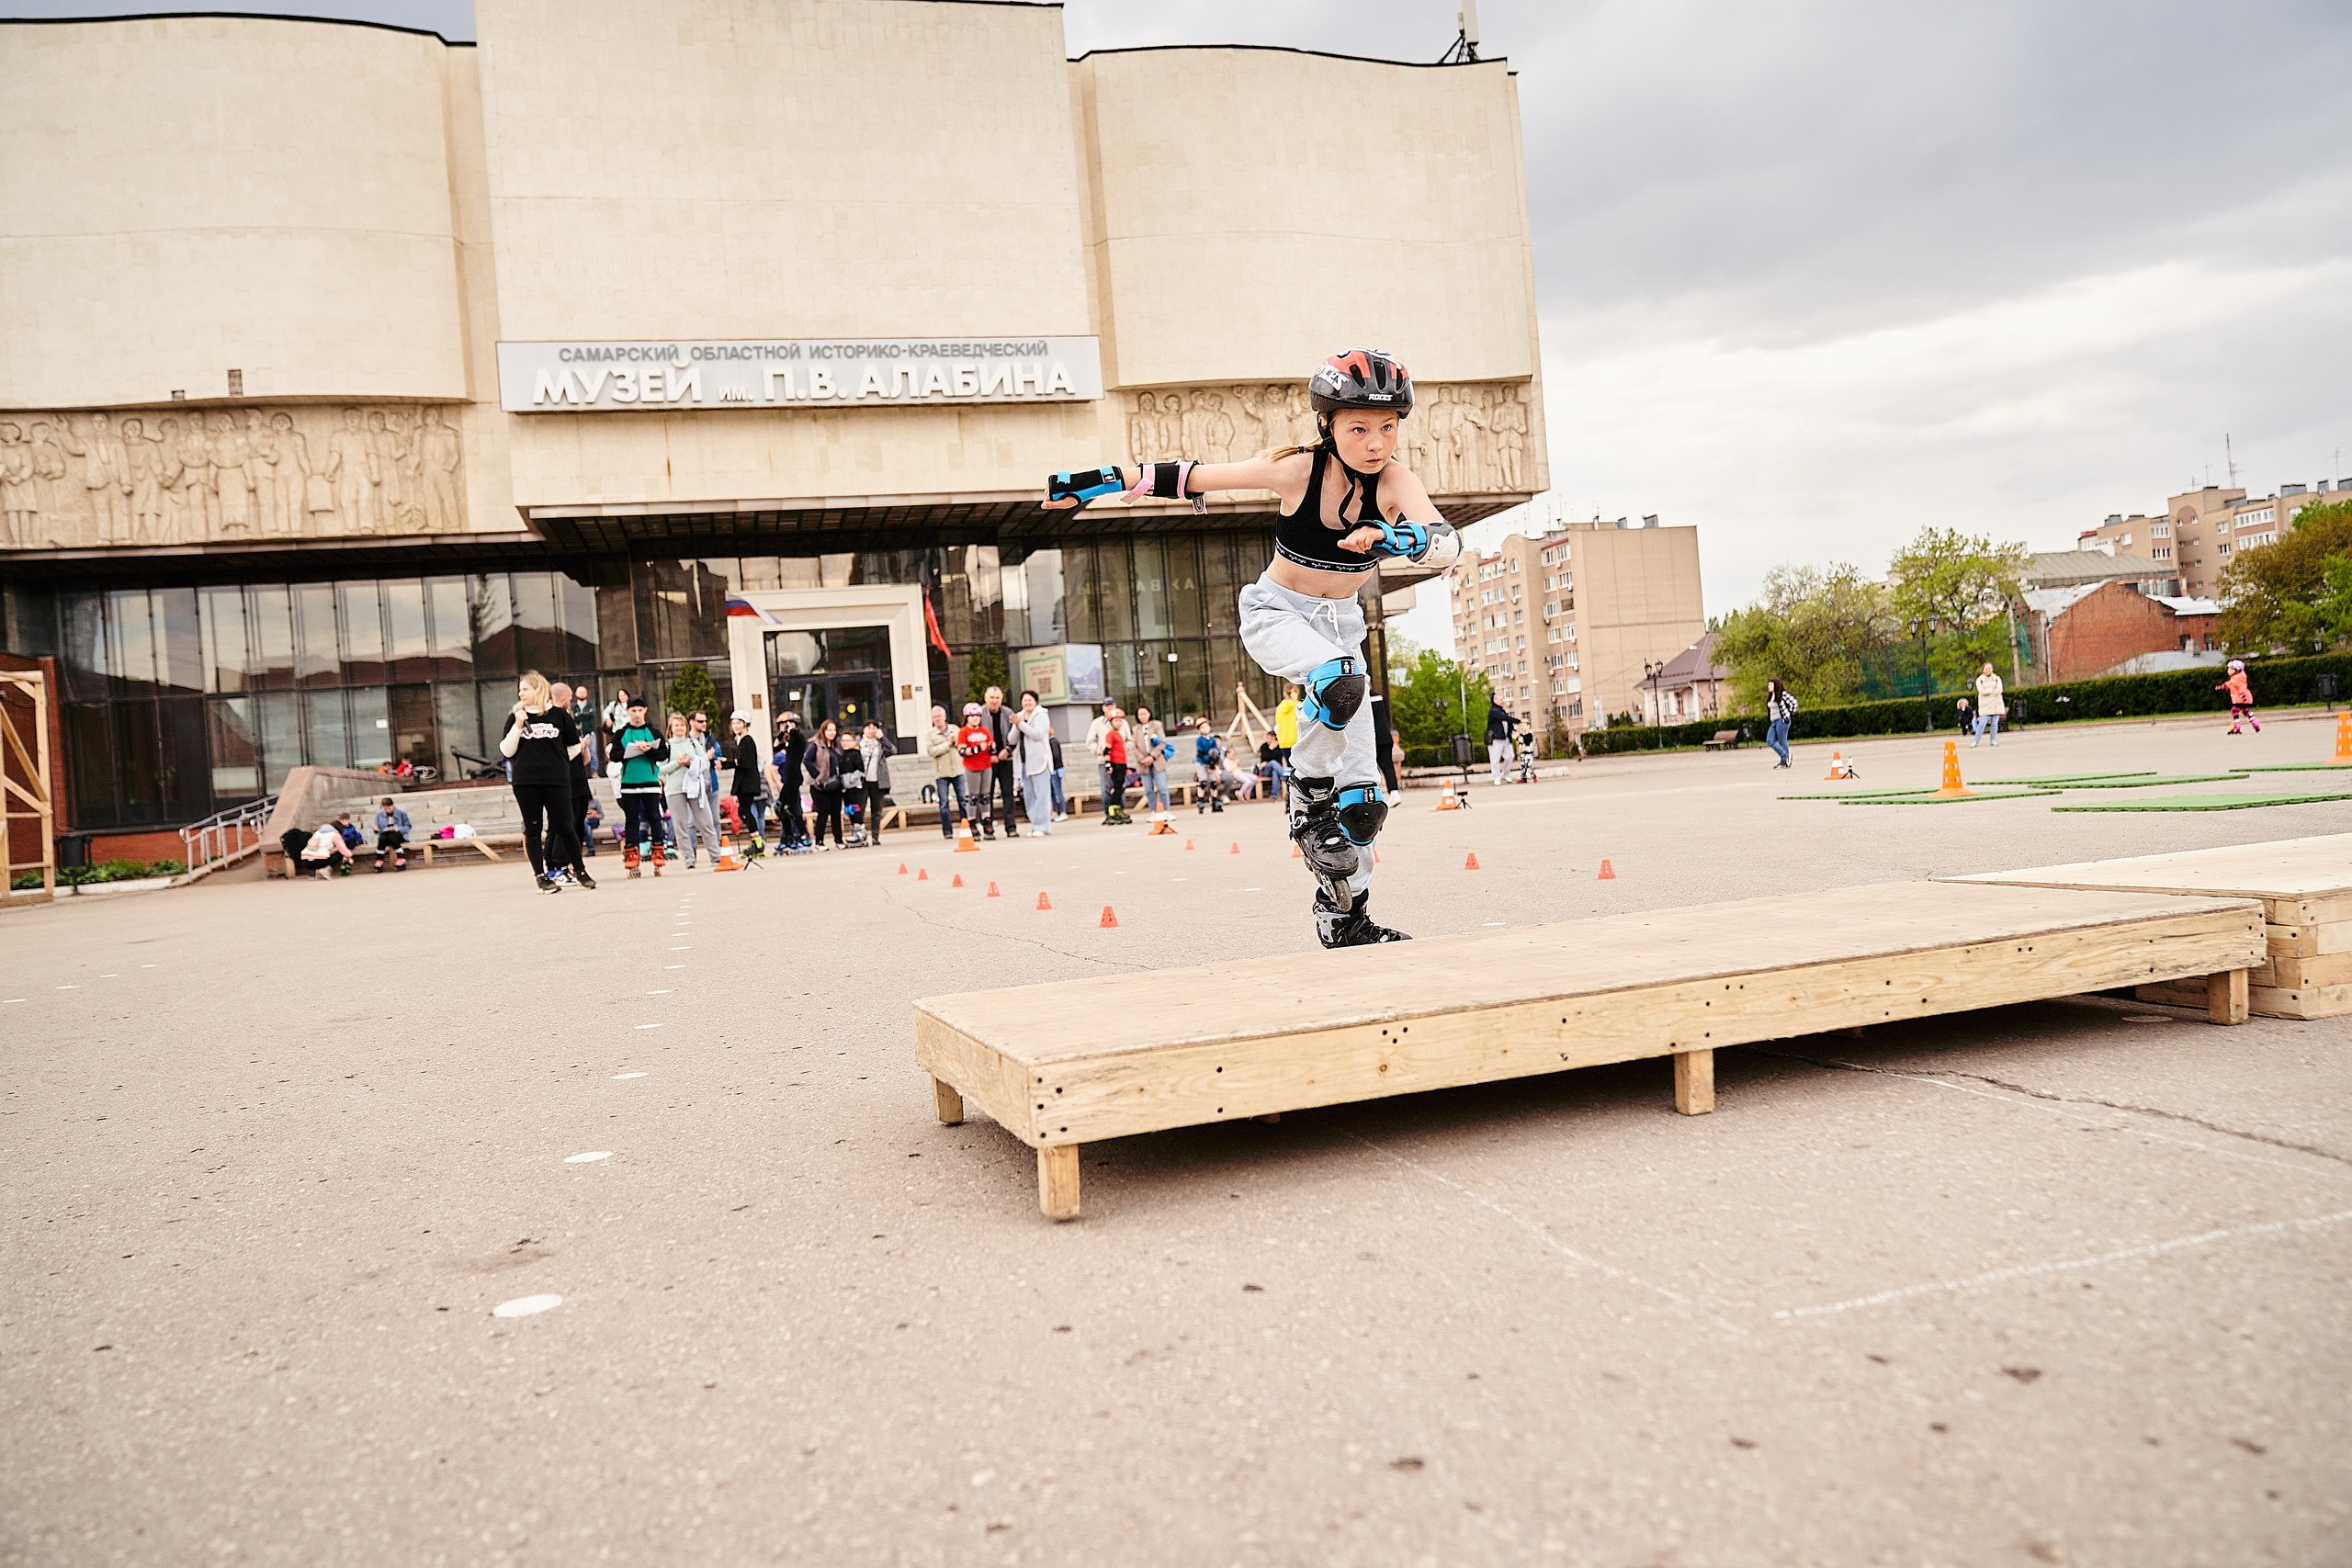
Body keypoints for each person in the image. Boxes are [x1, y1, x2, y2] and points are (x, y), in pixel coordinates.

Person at [497, 670, 591, 894]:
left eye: (525, 689)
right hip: (526, 781)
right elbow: (507, 750)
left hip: (556, 780)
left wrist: (558, 761)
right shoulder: (516, 717)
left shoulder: (559, 715)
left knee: (565, 826)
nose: (521, 693)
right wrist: (518, 725)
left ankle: (580, 871)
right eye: (520, 690)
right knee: (533, 828)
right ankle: (541, 876)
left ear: (538, 689)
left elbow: (573, 746)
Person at [612, 696, 667, 876]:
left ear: (645, 710)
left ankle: (658, 850)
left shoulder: (654, 732)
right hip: (629, 783)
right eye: (633, 711)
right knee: (632, 819)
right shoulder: (621, 733)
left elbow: (663, 754)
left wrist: (649, 750)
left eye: (640, 710)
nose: (636, 714)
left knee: (654, 817)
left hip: (650, 782)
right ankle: (631, 855)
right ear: (628, 711)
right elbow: (614, 755)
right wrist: (630, 751)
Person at [549, 681, 596, 886]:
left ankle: (571, 864)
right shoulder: (553, 720)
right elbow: (559, 754)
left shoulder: (568, 718)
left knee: (577, 824)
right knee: (562, 825)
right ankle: (556, 865)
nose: (571, 703)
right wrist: (578, 746)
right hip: (563, 781)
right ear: (563, 699)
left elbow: (583, 759)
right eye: (569, 699)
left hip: (579, 779)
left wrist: (583, 747)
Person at [660, 712, 718, 868]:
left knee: (706, 822)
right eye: (676, 725)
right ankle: (689, 859)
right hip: (675, 789)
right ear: (671, 728)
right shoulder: (667, 746)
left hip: (695, 787)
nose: (679, 728)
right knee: (681, 825)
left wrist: (691, 763)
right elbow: (660, 769)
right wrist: (677, 763)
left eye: (682, 725)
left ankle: (716, 856)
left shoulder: (693, 743)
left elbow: (705, 762)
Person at [1014, 690, 1057, 835]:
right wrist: (1017, 725)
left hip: (1040, 761)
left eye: (1030, 700)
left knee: (1042, 795)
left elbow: (1037, 734)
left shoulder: (1041, 715)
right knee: (1029, 796)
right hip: (1024, 762)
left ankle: (1041, 826)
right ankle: (1039, 824)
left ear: (1036, 702)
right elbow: (1011, 739)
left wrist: (1021, 725)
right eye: (1024, 700)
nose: (1027, 703)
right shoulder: (1019, 716)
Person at [981, 686, 1021, 834]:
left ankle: (1011, 827)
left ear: (1001, 699)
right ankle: (988, 827)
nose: (994, 701)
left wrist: (1008, 750)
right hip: (987, 761)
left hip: (1006, 759)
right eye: (991, 698)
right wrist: (989, 754)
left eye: (997, 698)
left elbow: (1016, 735)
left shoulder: (1008, 713)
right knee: (987, 793)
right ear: (986, 698)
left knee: (1008, 793)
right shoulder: (979, 714)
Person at [727, 710, 766, 855]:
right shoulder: (741, 740)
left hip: (747, 782)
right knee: (743, 811)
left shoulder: (747, 741)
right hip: (745, 782)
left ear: (745, 724)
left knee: (745, 811)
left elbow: (744, 763)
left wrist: (729, 763)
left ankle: (758, 842)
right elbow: (740, 763)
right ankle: (756, 841)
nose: (736, 726)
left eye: (739, 723)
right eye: (734, 723)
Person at [955, 703, 997, 837]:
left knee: (985, 796)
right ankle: (972, 823)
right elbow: (962, 751)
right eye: (972, 716)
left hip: (986, 766)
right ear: (966, 717)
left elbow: (991, 747)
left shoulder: (984, 731)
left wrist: (992, 747)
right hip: (972, 767)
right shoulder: (963, 732)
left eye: (977, 716)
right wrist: (977, 748)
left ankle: (987, 822)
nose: (975, 718)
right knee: (973, 797)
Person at [805, 717, 847, 848]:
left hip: (835, 784)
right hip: (820, 786)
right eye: (829, 730)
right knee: (823, 813)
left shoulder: (836, 746)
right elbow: (807, 760)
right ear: (823, 731)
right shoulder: (815, 745)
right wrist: (816, 776)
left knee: (836, 813)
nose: (832, 733)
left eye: (834, 730)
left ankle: (838, 840)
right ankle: (819, 841)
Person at [924, 705, 965, 839]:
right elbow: (931, 752)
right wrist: (947, 744)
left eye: (939, 716)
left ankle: (967, 827)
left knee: (963, 801)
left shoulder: (955, 729)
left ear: (945, 716)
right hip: (942, 773)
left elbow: (963, 745)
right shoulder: (930, 735)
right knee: (943, 804)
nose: (938, 719)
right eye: (935, 717)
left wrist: (955, 742)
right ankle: (947, 831)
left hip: (958, 770)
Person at [773, 712, 810, 852]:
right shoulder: (787, 742)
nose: (785, 726)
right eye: (782, 724)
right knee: (780, 808)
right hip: (787, 779)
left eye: (787, 723)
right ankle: (788, 837)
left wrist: (791, 729)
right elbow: (776, 746)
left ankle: (803, 835)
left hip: (794, 778)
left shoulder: (798, 738)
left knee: (791, 808)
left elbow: (798, 738)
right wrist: (782, 734)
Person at [858, 720, 892, 845]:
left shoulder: (880, 744)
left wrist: (883, 738)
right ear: (864, 729)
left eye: (874, 728)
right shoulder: (859, 743)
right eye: (869, 728)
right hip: (862, 781)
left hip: (878, 782)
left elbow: (892, 750)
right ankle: (860, 835)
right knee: (860, 810)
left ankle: (875, 836)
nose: (871, 730)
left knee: (876, 811)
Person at [1133, 704, 1170, 817]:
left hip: (1157, 761)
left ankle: (1166, 811)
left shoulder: (1157, 725)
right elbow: (1134, 746)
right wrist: (1142, 759)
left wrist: (1152, 756)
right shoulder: (1135, 729)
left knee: (1162, 787)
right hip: (1143, 764)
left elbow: (1162, 743)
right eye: (1140, 714)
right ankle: (1153, 812)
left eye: (1144, 713)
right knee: (1148, 789)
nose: (1142, 716)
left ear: (1149, 714)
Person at [1100, 702, 1133, 825]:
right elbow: (1106, 750)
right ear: (1111, 722)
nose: (1119, 723)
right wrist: (1108, 764)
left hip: (1122, 763)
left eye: (1120, 721)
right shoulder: (1111, 734)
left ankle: (1117, 809)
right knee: (1117, 788)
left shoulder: (1119, 734)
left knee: (1120, 787)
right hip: (1115, 763)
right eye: (1116, 721)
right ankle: (1112, 810)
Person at [298, 815, 356, 879]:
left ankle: (312, 874)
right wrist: (349, 857)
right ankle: (323, 868)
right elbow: (344, 850)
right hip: (320, 861)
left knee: (316, 853)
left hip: (306, 861)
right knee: (339, 853)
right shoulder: (335, 834)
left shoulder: (317, 832)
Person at [1193, 717, 1227, 813]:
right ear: (1199, 730)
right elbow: (1201, 753)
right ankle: (1201, 800)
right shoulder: (1199, 740)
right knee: (1203, 782)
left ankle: (1214, 801)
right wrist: (1209, 760)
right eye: (1202, 727)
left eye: (1206, 726)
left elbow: (1216, 751)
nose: (1205, 729)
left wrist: (1213, 763)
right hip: (1201, 762)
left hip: (1211, 762)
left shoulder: (1212, 739)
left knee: (1214, 783)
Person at [2219, 659, 2260, 733]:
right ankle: (2255, 723)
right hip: (2241, 699)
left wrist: (2242, 695)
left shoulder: (2238, 679)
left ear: (2237, 670)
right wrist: (2222, 686)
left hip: (2240, 699)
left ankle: (2237, 726)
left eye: (2231, 669)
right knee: (2246, 711)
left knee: (2234, 711)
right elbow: (2229, 684)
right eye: (2228, 669)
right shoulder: (2235, 678)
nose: (2228, 671)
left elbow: (2241, 687)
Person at [371, 795, 411, 873]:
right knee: (382, 837)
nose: (387, 810)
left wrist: (399, 829)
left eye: (389, 808)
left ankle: (401, 857)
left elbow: (408, 826)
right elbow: (377, 829)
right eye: (385, 808)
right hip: (385, 836)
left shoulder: (401, 813)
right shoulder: (379, 815)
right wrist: (376, 829)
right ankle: (379, 859)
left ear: (393, 805)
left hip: (399, 835)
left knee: (392, 836)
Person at [1484, 696, 1518, 787]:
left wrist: (1512, 729)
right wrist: (1518, 721)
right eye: (1501, 699)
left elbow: (1507, 722)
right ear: (1495, 701)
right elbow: (1505, 718)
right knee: (1495, 759)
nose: (1503, 701)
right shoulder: (1493, 711)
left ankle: (1505, 775)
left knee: (1510, 756)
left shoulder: (1502, 711)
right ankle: (1496, 778)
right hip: (1495, 738)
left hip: (1505, 738)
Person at [1764, 679, 1797, 769]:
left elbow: (1794, 703)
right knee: (1770, 740)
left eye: (1770, 685)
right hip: (1773, 721)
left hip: (1781, 720)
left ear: (1776, 685)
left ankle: (1784, 762)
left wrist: (1788, 714)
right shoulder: (1771, 696)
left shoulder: (1783, 694)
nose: (1768, 687)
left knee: (1782, 742)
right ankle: (1785, 756)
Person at [1972, 662, 2007, 747]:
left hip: (1996, 705)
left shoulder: (1997, 678)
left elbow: (1999, 690)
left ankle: (1993, 740)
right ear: (1983, 670)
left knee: (1994, 724)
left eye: (1990, 668)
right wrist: (1991, 690)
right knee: (1982, 724)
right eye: (1986, 668)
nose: (1988, 670)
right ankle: (1976, 741)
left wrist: (1990, 691)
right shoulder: (1980, 680)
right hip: (1985, 706)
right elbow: (1981, 691)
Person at [1273, 684, 1301, 766]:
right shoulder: (1299, 706)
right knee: (1299, 767)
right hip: (1297, 740)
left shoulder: (1280, 707)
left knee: (1290, 766)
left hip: (1283, 741)